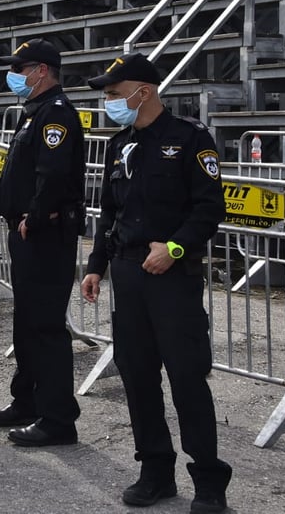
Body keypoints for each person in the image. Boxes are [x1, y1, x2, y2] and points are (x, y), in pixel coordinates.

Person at [81, 52, 232, 513]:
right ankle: (155, 471)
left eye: (112, 93)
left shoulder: (190, 139)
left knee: (186, 377)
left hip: (172, 278)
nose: (108, 102)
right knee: (137, 375)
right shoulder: (118, 145)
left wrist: (176, 248)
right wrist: (95, 264)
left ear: (142, 91)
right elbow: (111, 211)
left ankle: (209, 481)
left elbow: (209, 209)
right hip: (128, 275)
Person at [0, 39, 85, 447]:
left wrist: (36, 216)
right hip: (26, 231)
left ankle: (59, 418)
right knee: (25, 322)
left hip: (44, 232)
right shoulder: (35, 113)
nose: (14, 76)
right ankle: (25, 399)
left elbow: (54, 173)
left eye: (20, 69)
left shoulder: (56, 114)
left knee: (45, 325)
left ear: (41, 70)